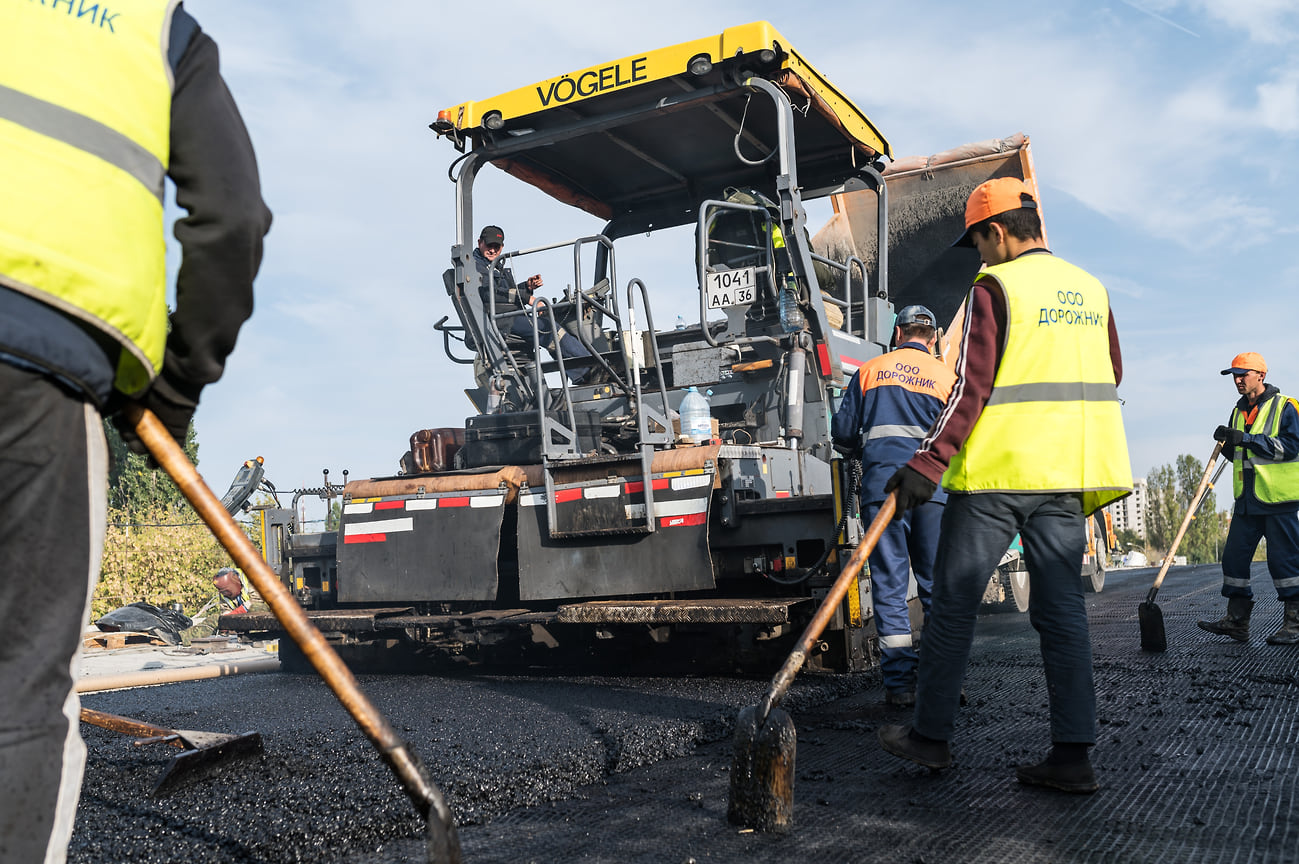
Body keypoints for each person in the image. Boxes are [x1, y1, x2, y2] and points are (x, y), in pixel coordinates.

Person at [0, 4, 271, 860]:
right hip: (39, 371)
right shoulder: (154, 29)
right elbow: (232, 218)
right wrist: (175, 387)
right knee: (23, 688)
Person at [876, 177, 1131, 795]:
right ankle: (1073, 757)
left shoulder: (996, 288)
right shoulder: (1091, 289)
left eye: (979, 243)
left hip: (999, 476)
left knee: (955, 605)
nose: (980, 256)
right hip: (1068, 473)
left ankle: (930, 738)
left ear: (996, 231)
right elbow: (1113, 370)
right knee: (1062, 610)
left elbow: (972, 388)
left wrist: (928, 464)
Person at [831, 305, 955, 707]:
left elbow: (843, 433)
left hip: (882, 491)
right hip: (933, 492)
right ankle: (941, 682)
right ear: (933, 338)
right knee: (936, 585)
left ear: (898, 333)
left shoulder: (870, 370)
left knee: (889, 585)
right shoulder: (946, 376)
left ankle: (899, 686)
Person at [1197, 352, 1299, 645]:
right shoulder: (1237, 412)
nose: (1237, 380)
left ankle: (1295, 624)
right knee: (1234, 560)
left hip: (1278, 501)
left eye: (1243, 374)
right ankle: (1237, 622)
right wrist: (1229, 444)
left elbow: (1290, 448)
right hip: (1247, 502)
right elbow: (1241, 455)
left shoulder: (1286, 407)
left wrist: (1248, 439)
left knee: (1285, 565)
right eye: (1234, 375)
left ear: (1261, 376)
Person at [473, 225, 593, 382]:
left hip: (508, 316)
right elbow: (488, 293)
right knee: (548, 329)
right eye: (489, 245)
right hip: (499, 321)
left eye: (497, 246)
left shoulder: (495, 266)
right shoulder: (476, 267)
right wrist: (528, 299)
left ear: (502, 247)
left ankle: (581, 373)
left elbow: (506, 292)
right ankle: (589, 367)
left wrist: (526, 287)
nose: (493, 250)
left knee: (551, 325)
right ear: (480, 242)